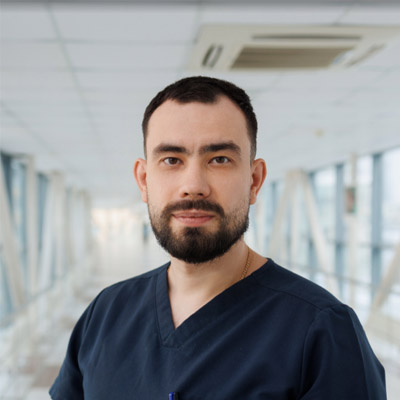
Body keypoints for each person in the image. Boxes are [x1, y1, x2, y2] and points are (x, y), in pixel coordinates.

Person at [50, 76, 386, 399]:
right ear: (143, 180)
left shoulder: (322, 331)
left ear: (254, 181)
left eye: (219, 159)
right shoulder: (106, 313)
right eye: (171, 160)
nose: (193, 185)